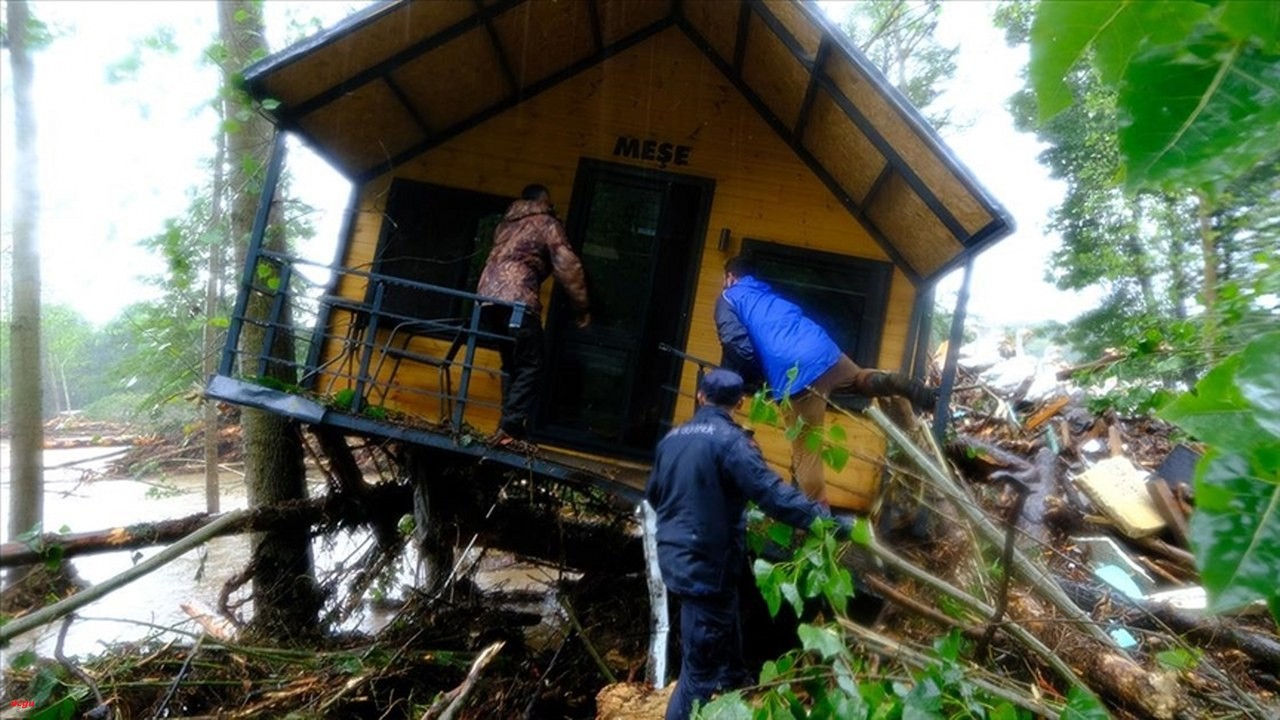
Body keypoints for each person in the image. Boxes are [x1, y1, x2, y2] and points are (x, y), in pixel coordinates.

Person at [646, 369, 849, 720]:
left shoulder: (673, 439)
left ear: (700, 397)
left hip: (676, 558)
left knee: (725, 624)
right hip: (706, 567)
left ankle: (737, 683)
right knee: (698, 676)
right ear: (741, 402)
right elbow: (773, 496)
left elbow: (654, 494)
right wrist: (830, 522)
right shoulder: (731, 443)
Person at [715, 254, 937, 502]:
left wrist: (758, 375)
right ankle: (890, 381)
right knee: (859, 381)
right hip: (823, 349)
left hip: (794, 373)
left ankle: (819, 522)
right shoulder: (767, 294)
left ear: (730, 277)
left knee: (807, 454)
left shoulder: (728, 297)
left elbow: (734, 342)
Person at [476, 184, 591, 445]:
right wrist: (582, 307)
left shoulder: (506, 224)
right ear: (542, 200)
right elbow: (568, 266)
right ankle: (511, 426)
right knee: (531, 365)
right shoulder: (546, 223)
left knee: (512, 364)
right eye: (548, 202)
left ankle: (509, 429)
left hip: (487, 300)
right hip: (517, 301)